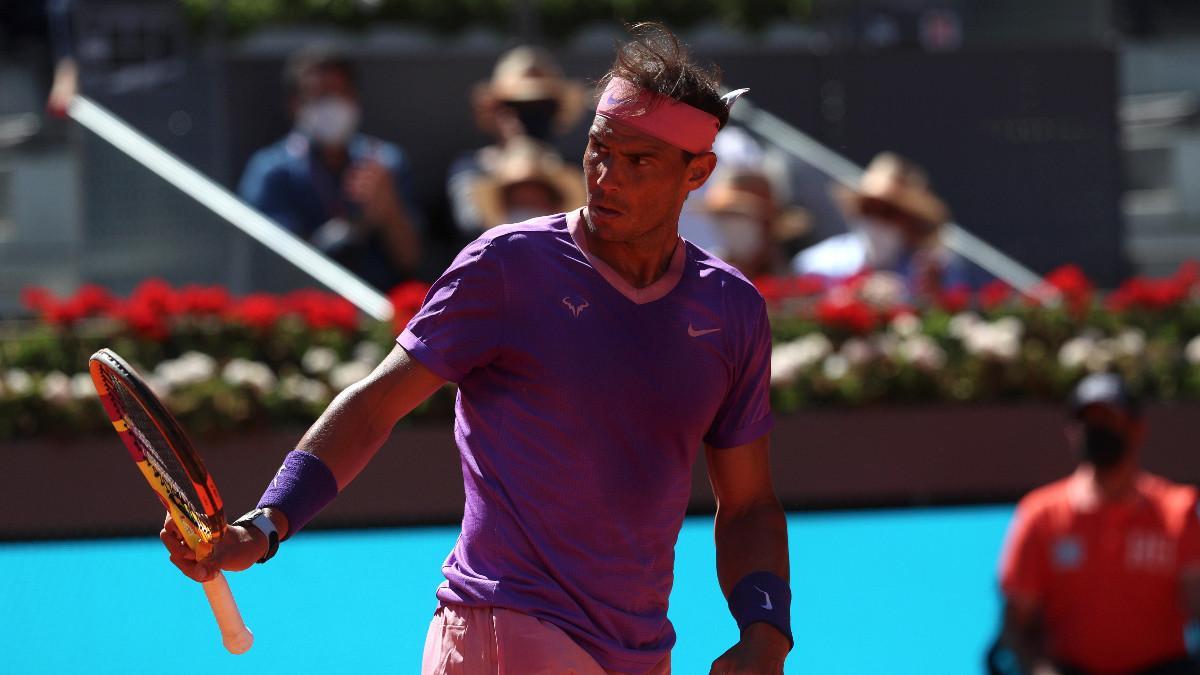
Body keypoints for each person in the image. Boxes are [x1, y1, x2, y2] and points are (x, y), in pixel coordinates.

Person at [161, 22, 792, 675]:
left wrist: (765, 632)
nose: (607, 176)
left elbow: (747, 503)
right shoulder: (506, 266)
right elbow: (375, 405)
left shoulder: (731, 310)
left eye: (640, 162)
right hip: (505, 628)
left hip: (637, 653)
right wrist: (264, 527)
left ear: (698, 172)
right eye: (600, 149)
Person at [992, 373, 1200, 675]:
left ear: (1136, 428)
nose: (1097, 429)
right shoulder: (1042, 515)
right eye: (1087, 421)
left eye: (1108, 418)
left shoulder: (1176, 511)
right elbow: (1017, 625)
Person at [238, 45, 424, 292]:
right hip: (306, 312)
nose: (332, 105)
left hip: (381, 307)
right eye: (321, 95)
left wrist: (389, 211)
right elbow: (271, 265)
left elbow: (410, 260)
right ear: (295, 104)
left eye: (340, 93)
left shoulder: (385, 162)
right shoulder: (270, 170)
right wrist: (350, 231)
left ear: (355, 98)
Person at [791, 152, 989, 297]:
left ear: (909, 221)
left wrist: (929, 294)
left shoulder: (936, 270)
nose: (876, 220)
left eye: (889, 212)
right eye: (868, 208)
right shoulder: (815, 265)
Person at [447, 45, 585, 238]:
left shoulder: (577, 170)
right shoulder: (470, 167)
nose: (531, 116)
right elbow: (470, 220)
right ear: (496, 111)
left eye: (543, 106)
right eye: (517, 106)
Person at [700, 166, 810, 279]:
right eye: (722, 216)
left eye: (739, 216)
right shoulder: (702, 275)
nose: (730, 225)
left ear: (767, 222)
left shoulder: (804, 273)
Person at [469, 136, 586, 230]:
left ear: (554, 205)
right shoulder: (485, 257)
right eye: (519, 203)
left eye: (534, 202)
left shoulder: (577, 257)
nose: (526, 211)